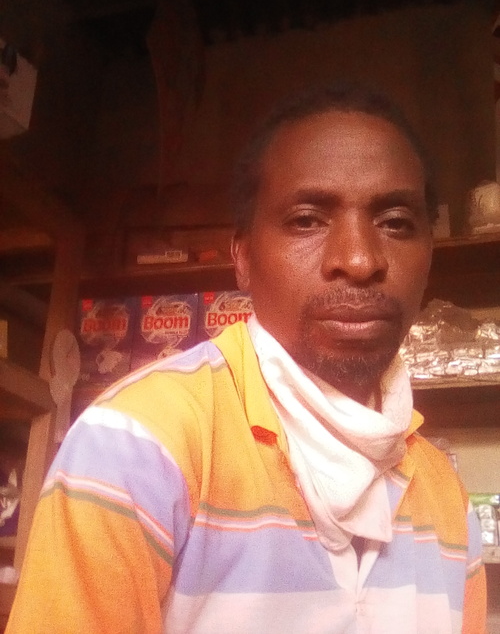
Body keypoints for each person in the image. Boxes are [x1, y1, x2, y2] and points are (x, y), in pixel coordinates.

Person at [7, 82, 486, 633]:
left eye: (396, 222)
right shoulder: (140, 445)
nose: (358, 259)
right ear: (243, 258)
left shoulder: (446, 497)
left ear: (429, 253)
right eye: (307, 220)